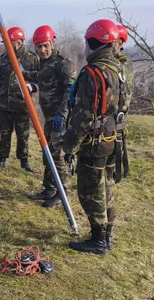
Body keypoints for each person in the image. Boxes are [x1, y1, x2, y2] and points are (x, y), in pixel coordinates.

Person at [62, 19, 123, 255]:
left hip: (94, 141)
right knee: (106, 187)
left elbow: (83, 115)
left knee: (91, 190)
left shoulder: (92, 72)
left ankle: (98, 239)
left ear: (93, 43)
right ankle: (106, 236)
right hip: (111, 137)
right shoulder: (117, 69)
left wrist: (70, 146)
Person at [24, 25, 77, 208]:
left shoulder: (63, 63)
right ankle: (49, 189)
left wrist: (62, 114)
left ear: (53, 43)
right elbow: (40, 76)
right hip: (48, 119)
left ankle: (63, 193)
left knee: (57, 157)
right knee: (48, 155)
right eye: (39, 47)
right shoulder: (45, 64)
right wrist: (23, 74)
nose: (42, 50)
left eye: (45, 45)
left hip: (59, 119)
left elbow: (70, 90)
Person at [0, 26, 40, 171]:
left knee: (23, 135)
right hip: (5, 104)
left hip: (22, 104)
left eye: (8, 42)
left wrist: (32, 87)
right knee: (4, 133)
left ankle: (24, 161)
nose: (5, 45)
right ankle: (1, 159)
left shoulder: (31, 58)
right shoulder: (4, 59)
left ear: (18, 42)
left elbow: (42, 79)